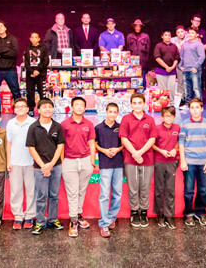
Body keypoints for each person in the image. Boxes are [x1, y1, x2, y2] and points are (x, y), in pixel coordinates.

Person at [26, 99, 65, 235]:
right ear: (39, 110)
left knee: (54, 195)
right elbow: (31, 148)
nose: (47, 109)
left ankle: (53, 219)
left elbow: (60, 146)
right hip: (39, 168)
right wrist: (43, 166)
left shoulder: (57, 127)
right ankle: (40, 222)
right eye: (44, 107)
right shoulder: (33, 127)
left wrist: (52, 164)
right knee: (41, 195)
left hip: (56, 166)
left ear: (53, 110)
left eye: (50, 107)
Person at [120, 93, 156, 227]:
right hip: (130, 158)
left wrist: (140, 152)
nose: (137, 105)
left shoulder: (150, 120)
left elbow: (152, 139)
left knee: (145, 187)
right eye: (134, 103)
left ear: (144, 104)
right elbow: (123, 138)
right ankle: (135, 211)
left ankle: (144, 212)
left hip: (147, 159)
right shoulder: (126, 119)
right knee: (133, 187)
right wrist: (135, 153)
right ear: (131, 105)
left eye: (139, 103)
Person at [61, 97, 96, 237]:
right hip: (69, 161)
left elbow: (92, 143)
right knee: (72, 192)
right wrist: (63, 161)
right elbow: (61, 145)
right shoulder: (64, 124)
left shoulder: (89, 124)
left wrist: (92, 162)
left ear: (85, 108)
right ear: (72, 107)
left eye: (82, 105)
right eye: (77, 105)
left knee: (82, 190)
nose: (80, 107)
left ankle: (79, 214)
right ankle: (73, 220)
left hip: (85, 160)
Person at [179, 98, 206, 226]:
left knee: (203, 190)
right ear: (189, 109)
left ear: (202, 108)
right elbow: (181, 143)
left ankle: (201, 213)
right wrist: (183, 160)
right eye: (192, 107)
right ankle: (188, 213)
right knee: (188, 189)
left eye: (197, 107)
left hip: (203, 162)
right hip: (189, 162)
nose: (195, 110)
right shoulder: (184, 124)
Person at [6, 98, 37, 230]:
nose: (20, 109)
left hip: (30, 162)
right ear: (14, 109)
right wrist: (9, 161)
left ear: (27, 108)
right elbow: (9, 143)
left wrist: (36, 161)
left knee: (31, 190)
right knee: (16, 191)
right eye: (17, 107)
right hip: (15, 162)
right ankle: (18, 216)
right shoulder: (10, 123)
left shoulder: (33, 123)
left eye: (23, 106)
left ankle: (30, 215)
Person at [95, 103, 124, 238]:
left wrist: (117, 149)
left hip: (118, 163)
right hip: (105, 164)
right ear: (105, 112)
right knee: (104, 194)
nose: (112, 114)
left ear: (117, 113)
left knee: (117, 193)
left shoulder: (120, 127)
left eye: (115, 112)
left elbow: (124, 143)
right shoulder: (99, 128)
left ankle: (112, 217)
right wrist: (104, 151)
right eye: (110, 111)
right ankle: (104, 223)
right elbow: (94, 143)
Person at [152, 107, 180, 229]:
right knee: (159, 189)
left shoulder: (177, 128)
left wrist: (175, 149)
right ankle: (160, 214)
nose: (168, 118)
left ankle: (170, 216)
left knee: (170, 190)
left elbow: (180, 142)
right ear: (162, 117)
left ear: (174, 117)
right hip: (159, 161)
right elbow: (152, 144)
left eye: (171, 116)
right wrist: (161, 151)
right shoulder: (157, 128)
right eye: (166, 116)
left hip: (172, 162)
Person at [0, 20, 21, 107]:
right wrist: (7, 49)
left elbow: (14, 53)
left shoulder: (12, 38)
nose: (0, 28)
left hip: (10, 69)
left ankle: (20, 108)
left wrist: (0, 53)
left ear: (5, 28)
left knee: (16, 91)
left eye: (1, 26)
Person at [23, 32, 49, 117]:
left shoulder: (43, 48)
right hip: (30, 75)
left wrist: (38, 71)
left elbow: (45, 61)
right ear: (30, 39)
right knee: (30, 92)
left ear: (39, 39)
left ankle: (43, 108)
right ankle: (31, 109)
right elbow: (26, 62)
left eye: (36, 37)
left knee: (42, 92)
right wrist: (32, 72)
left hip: (41, 74)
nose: (34, 39)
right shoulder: (27, 49)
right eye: (32, 37)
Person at [179, 28, 206, 101]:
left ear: (196, 35)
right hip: (186, 69)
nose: (190, 34)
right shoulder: (185, 44)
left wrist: (196, 67)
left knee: (196, 88)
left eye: (192, 33)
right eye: (189, 33)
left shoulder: (199, 44)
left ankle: (198, 104)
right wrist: (180, 66)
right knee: (187, 88)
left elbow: (202, 56)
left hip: (194, 70)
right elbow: (181, 56)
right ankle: (187, 103)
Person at [154, 31, 180, 100]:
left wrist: (172, 67)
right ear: (162, 37)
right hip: (161, 71)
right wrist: (166, 67)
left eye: (169, 35)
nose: (167, 37)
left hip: (172, 71)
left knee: (171, 88)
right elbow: (157, 58)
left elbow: (177, 58)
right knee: (163, 89)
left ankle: (171, 104)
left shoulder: (174, 46)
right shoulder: (158, 46)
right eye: (165, 35)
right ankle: (164, 105)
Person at [171, 26, 187, 105]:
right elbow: (170, 40)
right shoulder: (174, 40)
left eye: (182, 31)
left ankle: (189, 98)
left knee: (188, 82)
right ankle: (181, 98)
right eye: (178, 32)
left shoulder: (188, 38)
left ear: (185, 32)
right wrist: (177, 44)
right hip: (179, 65)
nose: (180, 34)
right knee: (180, 82)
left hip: (188, 64)